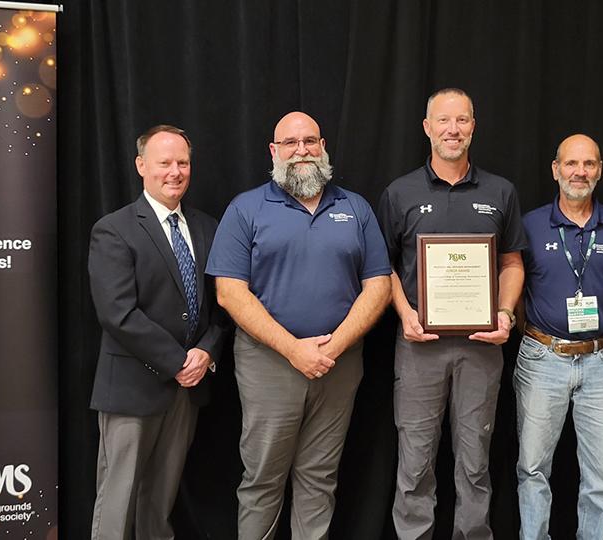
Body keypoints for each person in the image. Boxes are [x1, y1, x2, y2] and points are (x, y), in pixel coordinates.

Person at [206, 111, 392, 540]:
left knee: (319, 479)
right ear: (274, 151)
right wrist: (294, 349)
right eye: (290, 143)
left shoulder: (355, 207)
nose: (301, 150)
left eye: (310, 141)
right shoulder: (246, 208)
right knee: (262, 482)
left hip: (339, 365)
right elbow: (230, 293)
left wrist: (332, 348)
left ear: (323, 146)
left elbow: (378, 285)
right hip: (269, 365)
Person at [377, 88, 526, 540]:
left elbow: (512, 263)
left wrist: (504, 314)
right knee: (416, 460)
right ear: (427, 127)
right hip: (420, 345)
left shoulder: (500, 191)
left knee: (475, 460)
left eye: (461, 121)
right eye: (443, 121)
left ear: (473, 127)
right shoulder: (399, 192)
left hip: (482, 349)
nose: (452, 130)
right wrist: (404, 314)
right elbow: (379, 267)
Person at [87, 124, 226, 540]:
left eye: (182, 163)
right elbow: (117, 312)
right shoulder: (114, 229)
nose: (175, 171)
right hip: (132, 386)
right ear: (141, 165)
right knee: (117, 499)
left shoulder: (207, 227)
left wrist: (206, 352)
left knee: (160, 501)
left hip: (188, 389)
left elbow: (221, 306)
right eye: (164, 162)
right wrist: (177, 361)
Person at [514, 134, 603, 539]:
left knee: (602, 477)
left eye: (588, 164)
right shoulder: (530, 225)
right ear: (556, 170)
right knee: (533, 468)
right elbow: (513, 286)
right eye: (571, 164)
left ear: (600, 171)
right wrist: (538, 331)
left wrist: (594, 330)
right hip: (542, 357)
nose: (579, 172)